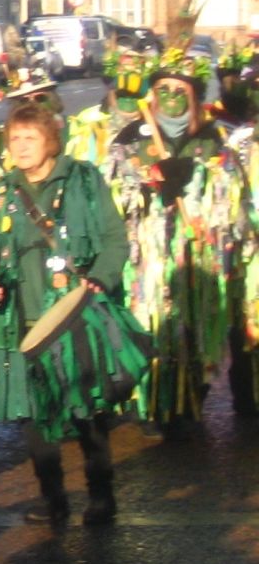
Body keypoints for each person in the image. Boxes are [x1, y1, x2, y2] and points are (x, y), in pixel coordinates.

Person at [0, 102, 129, 525]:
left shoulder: (83, 181)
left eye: (30, 138)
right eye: (14, 138)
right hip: (22, 322)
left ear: (50, 140)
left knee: (87, 411)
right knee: (33, 417)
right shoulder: (3, 191)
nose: (20, 147)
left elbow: (115, 238)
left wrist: (100, 279)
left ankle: (101, 496)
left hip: (76, 318)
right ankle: (53, 497)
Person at [107, 46, 242, 428]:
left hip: (195, 251)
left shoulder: (213, 137)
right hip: (148, 258)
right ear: (153, 94)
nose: (171, 98)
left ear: (195, 98)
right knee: (152, 323)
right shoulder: (131, 136)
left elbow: (230, 192)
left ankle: (188, 404)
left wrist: (197, 179)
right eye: (164, 89)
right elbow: (113, 186)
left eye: (180, 91)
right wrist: (145, 186)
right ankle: (152, 404)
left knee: (192, 325)